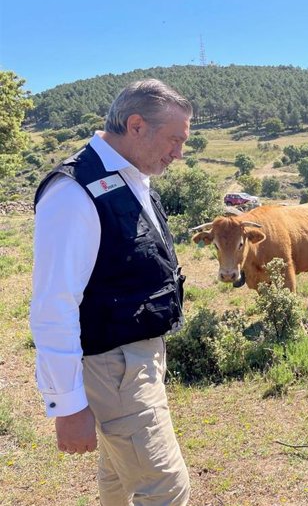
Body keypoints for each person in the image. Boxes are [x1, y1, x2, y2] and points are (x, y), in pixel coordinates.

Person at [30, 79, 192, 505]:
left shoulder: (131, 175)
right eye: (175, 139)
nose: (179, 153)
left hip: (136, 358)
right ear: (136, 125)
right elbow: (53, 304)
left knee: (121, 481)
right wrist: (67, 405)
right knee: (165, 489)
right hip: (114, 366)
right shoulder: (73, 191)